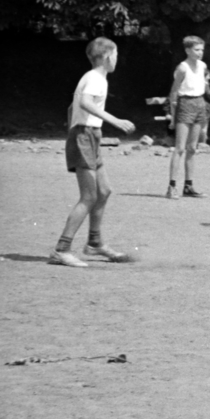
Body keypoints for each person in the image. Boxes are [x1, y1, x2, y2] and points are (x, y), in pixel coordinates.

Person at [50, 38, 138, 267]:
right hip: (85, 136)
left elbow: (73, 107)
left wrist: (79, 130)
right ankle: (62, 249)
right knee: (89, 196)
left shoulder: (95, 79)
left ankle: (95, 244)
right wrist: (114, 121)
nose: (117, 59)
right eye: (116, 54)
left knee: (104, 190)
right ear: (108, 56)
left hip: (89, 136)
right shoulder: (95, 79)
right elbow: (86, 103)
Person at [164, 35, 210, 199]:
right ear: (187, 50)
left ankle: (189, 186)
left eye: (202, 49)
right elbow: (174, 92)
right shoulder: (182, 68)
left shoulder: (203, 66)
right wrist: (173, 116)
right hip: (185, 104)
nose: (200, 53)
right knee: (180, 148)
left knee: (192, 148)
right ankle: (172, 186)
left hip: (199, 103)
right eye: (197, 50)